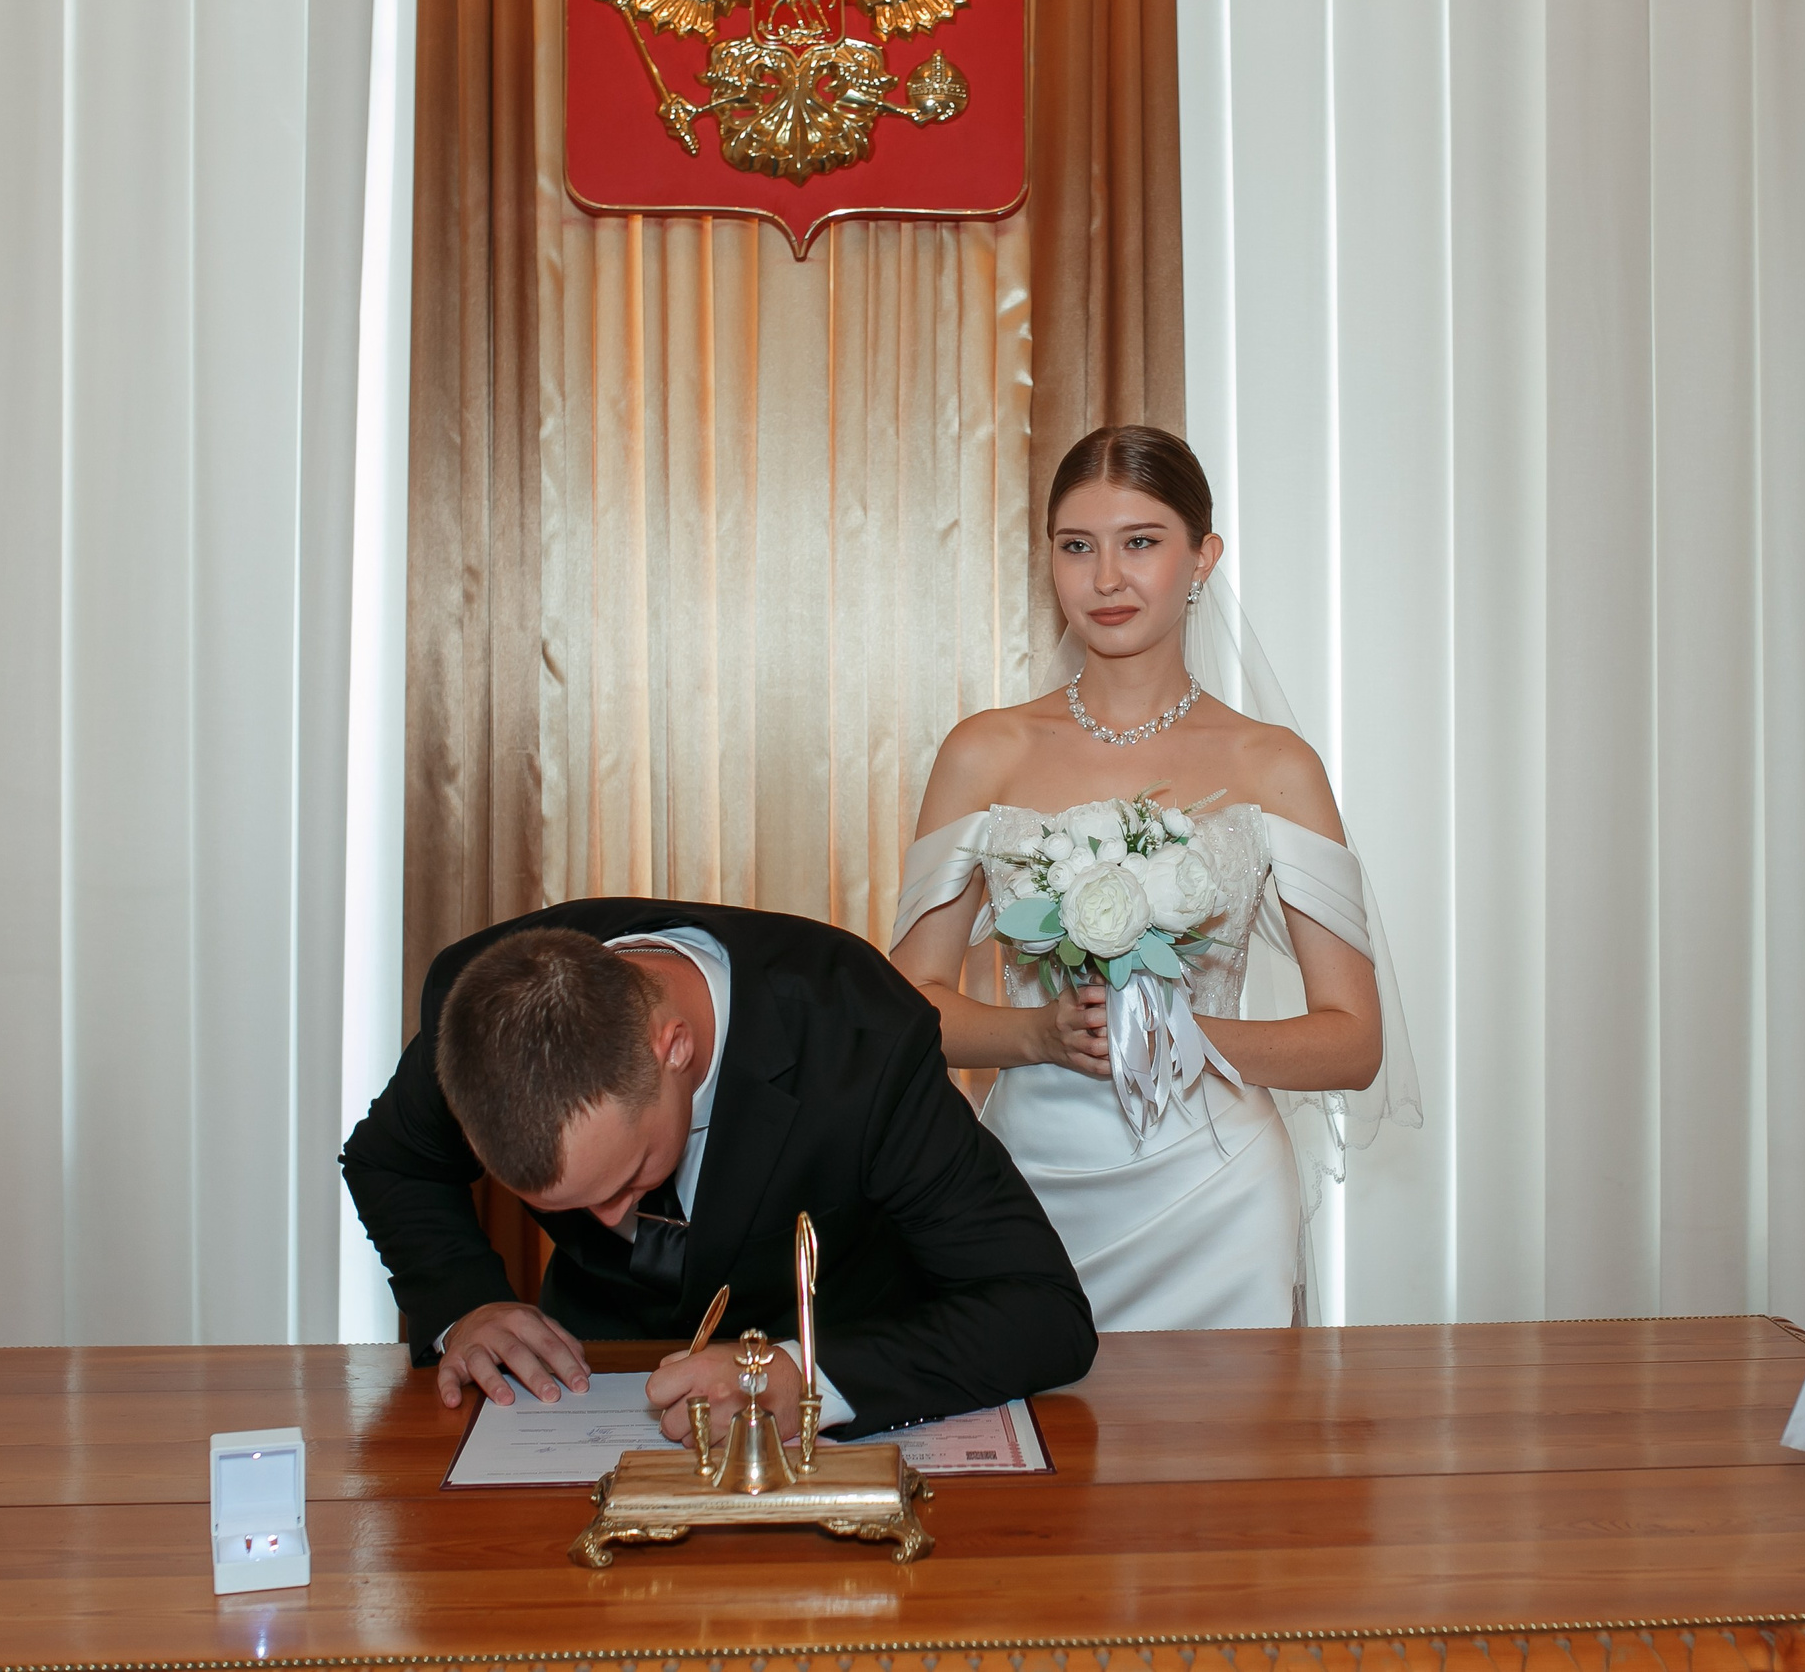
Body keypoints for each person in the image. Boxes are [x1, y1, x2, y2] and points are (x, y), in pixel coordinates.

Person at [889, 425, 1420, 1330]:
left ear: (1202, 557)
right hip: (1029, 1182)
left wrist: (1184, 1036)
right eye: (1076, 546)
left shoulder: (1272, 764)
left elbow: (1353, 1040)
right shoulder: (986, 752)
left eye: (1141, 542)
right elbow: (906, 1011)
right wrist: (1040, 1034)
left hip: (1218, 1197)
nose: (1106, 578)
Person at [342, 898, 1097, 1441]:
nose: (614, 1225)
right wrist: (466, 1301)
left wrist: (803, 1376)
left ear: (676, 1048)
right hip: (588, 1394)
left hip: (840, 1378)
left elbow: (1040, 1309)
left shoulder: (861, 1038)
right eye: (570, 1204)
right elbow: (388, 1161)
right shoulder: (481, 1013)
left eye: (628, 1178)